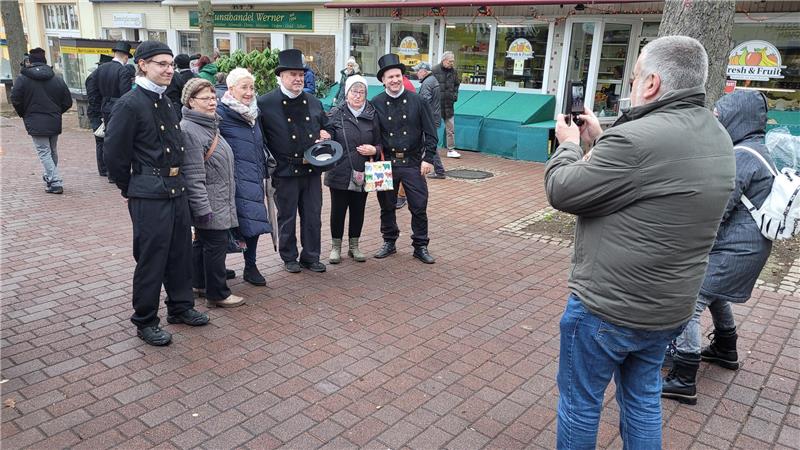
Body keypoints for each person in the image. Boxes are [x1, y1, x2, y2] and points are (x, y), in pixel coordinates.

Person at [544, 35, 735, 448]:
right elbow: (652, 175)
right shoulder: (718, 136)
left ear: (651, 84)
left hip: (608, 307)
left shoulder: (634, 141)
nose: (631, 86)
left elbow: (563, 190)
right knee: (643, 397)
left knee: (580, 403)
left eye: (634, 78)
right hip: (668, 308)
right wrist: (603, 134)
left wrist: (570, 147)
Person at [661, 89, 775, 405]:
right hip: (748, 249)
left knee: (689, 301)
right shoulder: (756, 149)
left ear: (737, 118)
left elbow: (718, 208)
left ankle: (684, 377)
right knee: (715, 292)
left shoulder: (742, 157)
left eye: (721, 116)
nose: (718, 123)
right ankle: (726, 347)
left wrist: (687, 237)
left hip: (736, 251)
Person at [104, 40, 210, 346]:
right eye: (161, 64)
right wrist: (131, 187)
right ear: (143, 65)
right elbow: (115, 155)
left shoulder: (166, 102)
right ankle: (145, 319)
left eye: (170, 64)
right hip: (149, 194)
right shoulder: (129, 104)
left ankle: (180, 307)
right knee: (152, 257)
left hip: (177, 190)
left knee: (180, 253)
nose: (168, 70)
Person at [258, 49, 332, 273]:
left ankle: (311, 256)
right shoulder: (265, 103)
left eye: (301, 74)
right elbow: (260, 139)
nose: (298, 79)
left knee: (312, 216)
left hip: (311, 170)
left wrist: (326, 134)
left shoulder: (313, 101)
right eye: (293, 74)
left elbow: (327, 127)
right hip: (284, 170)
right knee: (287, 216)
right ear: (280, 76)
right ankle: (289, 256)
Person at [180, 77, 245, 308]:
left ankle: (199, 283)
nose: (212, 102)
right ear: (190, 102)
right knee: (215, 246)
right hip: (210, 200)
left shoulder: (209, 125)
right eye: (205, 98)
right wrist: (202, 208)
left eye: (213, 97)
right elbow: (193, 176)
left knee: (203, 244)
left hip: (218, 197)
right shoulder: (190, 130)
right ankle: (217, 294)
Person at [372, 53, 437, 264]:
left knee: (419, 205)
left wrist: (429, 159)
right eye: (390, 77)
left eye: (398, 75)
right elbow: (371, 134)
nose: (394, 80)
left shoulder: (417, 101)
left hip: (412, 161)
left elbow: (431, 132)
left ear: (403, 77)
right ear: (383, 80)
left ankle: (420, 245)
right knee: (386, 205)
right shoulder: (376, 103)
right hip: (385, 161)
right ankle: (389, 241)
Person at [218, 68, 272, 286]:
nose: (249, 92)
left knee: (253, 222)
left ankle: (251, 266)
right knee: (223, 225)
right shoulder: (221, 113)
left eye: (252, 87)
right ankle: (217, 267)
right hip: (229, 180)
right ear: (231, 89)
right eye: (244, 87)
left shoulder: (254, 113)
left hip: (253, 176)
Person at [325, 74, 380, 264]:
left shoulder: (373, 114)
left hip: (363, 170)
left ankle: (354, 246)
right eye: (354, 91)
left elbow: (382, 143)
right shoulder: (335, 114)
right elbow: (328, 141)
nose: (358, 95)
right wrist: (324, 138)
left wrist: (375, 149)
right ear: (347, 93)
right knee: (338, 210)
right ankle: (335, 247)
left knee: (358, 209)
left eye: (362, 91)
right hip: (340, 169)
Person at [10, 47, 73, 195]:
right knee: (52, 150)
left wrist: (24, 113)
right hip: (53, 119)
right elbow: (67, 101)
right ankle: (50, 176)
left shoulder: (23, 79)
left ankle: (55, 181)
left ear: (30, 62)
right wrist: (57, 112)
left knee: (44, 151)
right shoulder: (56, 78)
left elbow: (16, 99)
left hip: (35, 119)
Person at [414, 62, 446, 179]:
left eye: (418, 71)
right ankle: (439, 170)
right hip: (434, 116)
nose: (416, 73)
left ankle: (439, 170)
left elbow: (424, 102)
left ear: (424, 71)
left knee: (429, 145)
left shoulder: (427, 83)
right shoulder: (432, 80)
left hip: (429, 119)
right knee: (429, 144)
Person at [86, 54, 113, 180]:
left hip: (101, 111)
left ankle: (105, 167)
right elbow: (93, 99)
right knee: (100, 139)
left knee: (104, 140)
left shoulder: (99, 77)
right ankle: (103, 168)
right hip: (97, 113)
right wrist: (101, 114)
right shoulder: (93, 78)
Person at [432, 51, 461, 158]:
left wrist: (455, 96)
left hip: (449, 104)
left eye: (453, 61)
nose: (452, 63)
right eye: (450, 61)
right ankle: (431, 148)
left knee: (451, 129)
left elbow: (457, 85)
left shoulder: (454, 72)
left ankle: (451, 150)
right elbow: (430, 85)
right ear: (444, 60)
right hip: (437, 105)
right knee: (432, 128)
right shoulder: (434, 70)